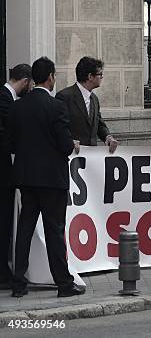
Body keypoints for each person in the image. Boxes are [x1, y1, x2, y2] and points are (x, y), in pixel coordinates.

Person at [7, 57, 84, 298]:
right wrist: (71, 144)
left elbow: (10, 143)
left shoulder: (18, 106)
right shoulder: (56, 106)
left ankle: (18, 283)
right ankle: (63, 283)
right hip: (52, 180)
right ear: (50, 77)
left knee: (25, 231)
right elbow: (64, 146)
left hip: (26, 178)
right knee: (54, 231)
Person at [0, 64, 32, 288]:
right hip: (3, 175)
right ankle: (2, 274)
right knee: (3, 223)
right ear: (26, 81)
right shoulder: (4, 99)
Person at [55, 56, 118, 154]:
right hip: (72, 156)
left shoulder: (94, 99)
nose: (102, 77)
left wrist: (108, 137)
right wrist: (69, 142)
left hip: (91, 158)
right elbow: (58, 127)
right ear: (90, 76)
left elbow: (99, 124)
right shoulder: (64, 97)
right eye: (100, 74)